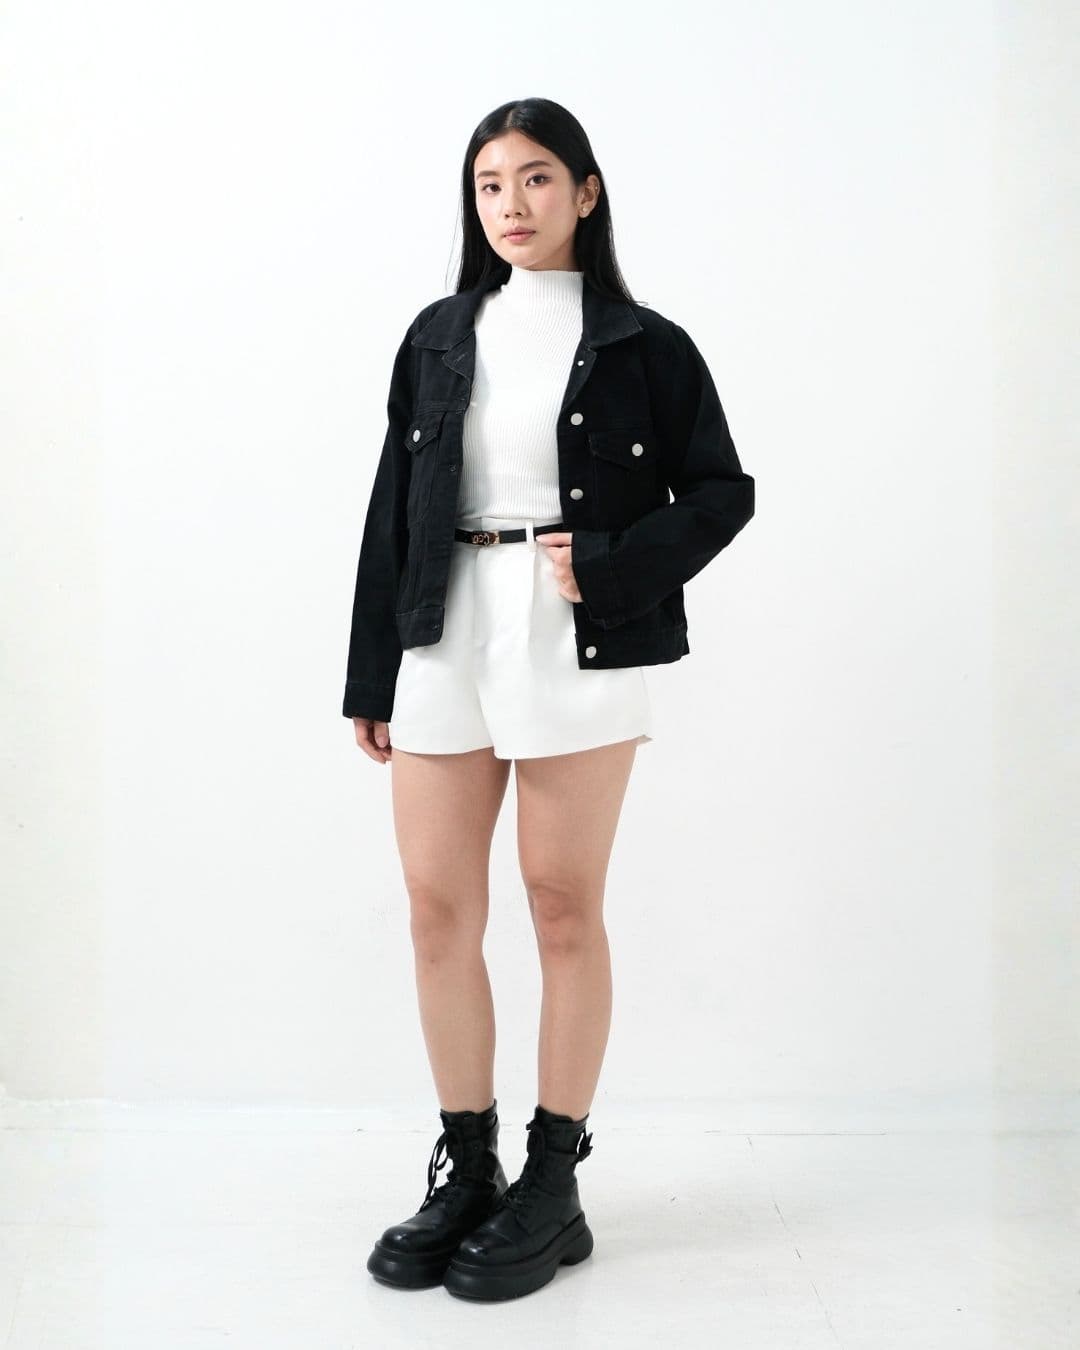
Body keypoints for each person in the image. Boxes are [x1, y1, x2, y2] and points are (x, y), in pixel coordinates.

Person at [344, 97, 755, 1302]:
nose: (511, 204)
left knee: (562, 905)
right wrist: (371, 672)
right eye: (489, 185)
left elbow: (721, 492)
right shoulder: (437, 334)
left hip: (578, 639)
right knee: (436, 909)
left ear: (585, 191)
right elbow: (390, 507)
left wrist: (615, 565)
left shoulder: (646, 346)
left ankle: (553, 1179)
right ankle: (466, 1167)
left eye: (534, 178)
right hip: (443, 627)